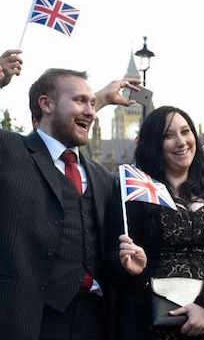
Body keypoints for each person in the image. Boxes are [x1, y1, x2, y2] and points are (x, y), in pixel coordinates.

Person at [0, 64, 140, 340]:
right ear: (46, 104)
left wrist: (127, 263)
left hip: (95, 322)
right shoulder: (11, 152)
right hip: (28, 321)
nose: (92, 110)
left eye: (93, 102)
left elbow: (104, 255)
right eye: (80, 101)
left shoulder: (102, 177)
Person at [114, 106, 204, 340]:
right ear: (153, 143)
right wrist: (136, 270)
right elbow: (116, 261)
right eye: (168, 135)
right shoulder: (133, 194)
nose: (181, 142)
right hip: (153, 322)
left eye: (186, 132)